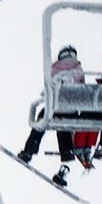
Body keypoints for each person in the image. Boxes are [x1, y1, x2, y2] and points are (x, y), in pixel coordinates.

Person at [18, 45, 87, 187]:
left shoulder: (54, 69)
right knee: (64, 132)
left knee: (42, 120)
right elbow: (83, 93)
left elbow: (47, 91)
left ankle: (28, 151)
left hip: (53, 110)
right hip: (70, 112)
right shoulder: (79, 71)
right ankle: (65, 166)